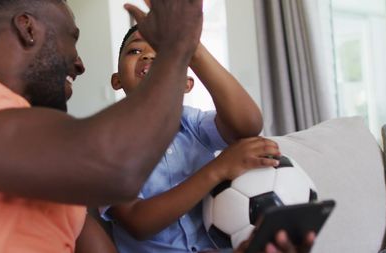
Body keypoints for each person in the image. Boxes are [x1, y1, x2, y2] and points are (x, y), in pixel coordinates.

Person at [0, 0, 314, 252]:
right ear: (28, 27)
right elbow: (115, 171)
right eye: (72, 38)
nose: (80, 63)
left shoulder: (56, 167)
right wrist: (177, 45)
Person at [100, 22, 290, 253]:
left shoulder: (194, 125)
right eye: (135, 51)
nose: (149, 55)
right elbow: (137, 221)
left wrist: (195, 50)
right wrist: (218, 169)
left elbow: (247, 125)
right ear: (116, 80)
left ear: (187, 84)